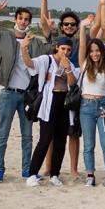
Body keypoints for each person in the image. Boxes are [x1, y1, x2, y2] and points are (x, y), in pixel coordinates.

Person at [0, 0, 48, 181]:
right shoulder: (3, 37)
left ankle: (26, 170)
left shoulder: (34, 42)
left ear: (29, 22)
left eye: (27, 19)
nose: (23, 21)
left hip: (27, 96)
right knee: (2, 133)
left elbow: (51, 49)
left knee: (27, 135)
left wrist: (50, 32)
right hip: (8, 93)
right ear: (16, 20)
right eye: (20, 18)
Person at [21, 35, 81, 187]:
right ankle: (32, 173)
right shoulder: (46, 60)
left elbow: (73, 84)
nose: (65, 52)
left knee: (61, 140)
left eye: (68, 50)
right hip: (49, 101)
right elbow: (29, 64)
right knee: (45, 139)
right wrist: (24, 47)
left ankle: (55, 174)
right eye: (63, 49)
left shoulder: (70, 65)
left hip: (64, 103)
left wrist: (67, 69)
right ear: (57, 48)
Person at [38, 0, 84, 178]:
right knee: (49, 134)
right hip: (53, 91)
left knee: (73, 132)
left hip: (72, 89)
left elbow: (97, 27)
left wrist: (101, 5)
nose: (69, 27)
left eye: (73, 24)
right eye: (66, 24)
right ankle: (49, 168)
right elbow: (43, 23)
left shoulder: (81, 40)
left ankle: (73, 169)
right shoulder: (55, 39)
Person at [77, 15, 105, 187]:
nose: (94, 53)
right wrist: (83, 27)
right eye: (92, 50)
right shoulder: (84, 63)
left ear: (101, 51)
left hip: (102, 106)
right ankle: (90, 174)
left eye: (97, 50)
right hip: (85, 106)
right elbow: (82, 45)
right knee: (88, 144)